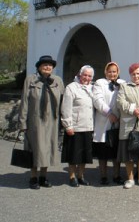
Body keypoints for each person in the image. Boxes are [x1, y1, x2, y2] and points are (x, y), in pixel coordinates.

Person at [18, 55, 65, 189]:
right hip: (35, 121)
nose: (47, 67)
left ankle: (43, 177)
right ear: (39, 67)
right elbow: (24, 102)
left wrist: (65, 120)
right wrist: (22, 122)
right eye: (44, 64)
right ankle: (33, 178)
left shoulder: (57, 81)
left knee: (48, 149)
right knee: (34, 149)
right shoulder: (31, 80)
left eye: (50, 65)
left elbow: (63, 101)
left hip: (52, 122)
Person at [61, 65, 95, 187]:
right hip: (75, 126)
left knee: (84, 154)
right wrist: (68, 125)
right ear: (80, 74)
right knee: (73, 154)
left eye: (89, 76)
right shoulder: (71, 87)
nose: (87, 78)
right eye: (85, 75)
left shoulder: (92, 88)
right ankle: (72, 177)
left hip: (88, 126)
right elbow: (66, 108)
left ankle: (81, 176)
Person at [92, 62, 125, 185]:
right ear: (106, 72)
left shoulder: (122, 83)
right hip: (104, 121)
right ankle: (103, 176)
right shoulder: (100, 83)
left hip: (118, 121)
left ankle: (116, 175)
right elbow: (97, 100)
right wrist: (109, 113)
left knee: (116, 152)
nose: (112, 74)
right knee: (103, 153)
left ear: (118, 72)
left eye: (114, 72)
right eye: (110, 71)